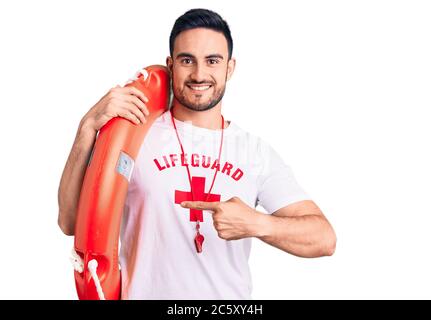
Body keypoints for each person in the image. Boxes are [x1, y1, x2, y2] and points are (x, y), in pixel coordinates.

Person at [58, 8, 336, 300]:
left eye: (212, 61)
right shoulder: (137, 135)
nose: (199, 74)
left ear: (229, 68)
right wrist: (87, 128)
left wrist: (256, 223)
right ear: (171, 65)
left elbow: (324, 238)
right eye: (187, 60)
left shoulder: (254, 152)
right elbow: (70, 221)